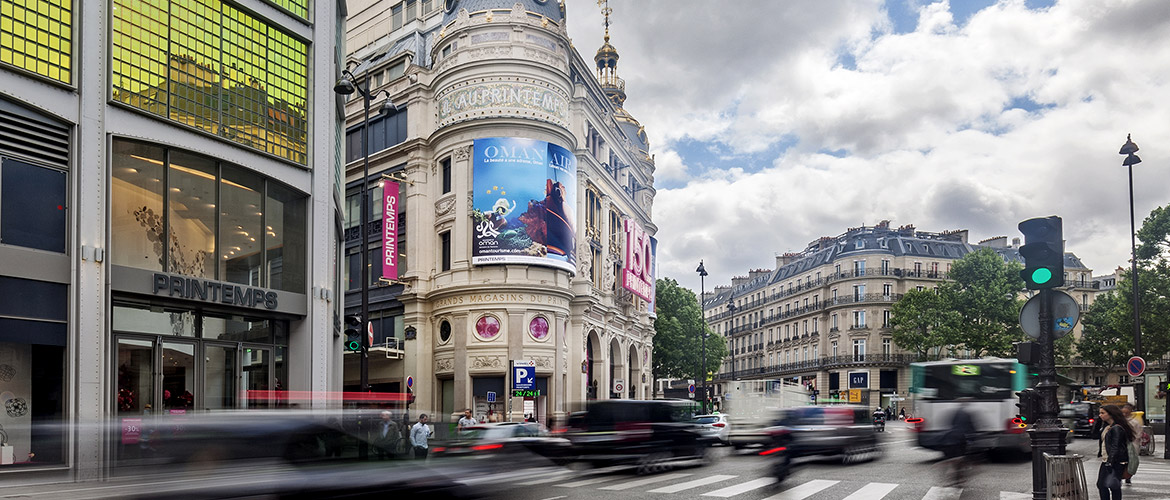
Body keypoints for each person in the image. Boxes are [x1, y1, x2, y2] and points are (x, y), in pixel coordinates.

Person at [1097, 405, 1133, 500]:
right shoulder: (1108, 427)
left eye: (1102, 413)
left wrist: (1110, 462)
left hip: (1114, 461)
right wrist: (1099, 422)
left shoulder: (1117, 428)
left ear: (1111, 414)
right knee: (1110, 485)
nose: (1100, 415)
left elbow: (1115, 447)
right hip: (1108, 460)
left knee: (1107, 485)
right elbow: (1094, 434)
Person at [945, 400, 977, 485]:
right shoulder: (967, 414)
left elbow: (950, 424)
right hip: (961, 438)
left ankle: (954, 474)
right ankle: (959, 476)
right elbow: (971, 427)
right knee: (962, 457)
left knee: (955, 456)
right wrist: (973, 438)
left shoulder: (955, 412)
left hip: (952, 437)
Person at [1120, 403, 1142, 484]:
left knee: (1131, 460)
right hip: (1123, 444)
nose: (1124, 414)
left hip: (1133, 443)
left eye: (1126, 412)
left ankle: (1128, 475)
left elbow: (1138, 433)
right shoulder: (1120, 421)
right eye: (1123, 412)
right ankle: (1123, 474)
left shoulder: (1134, 422)